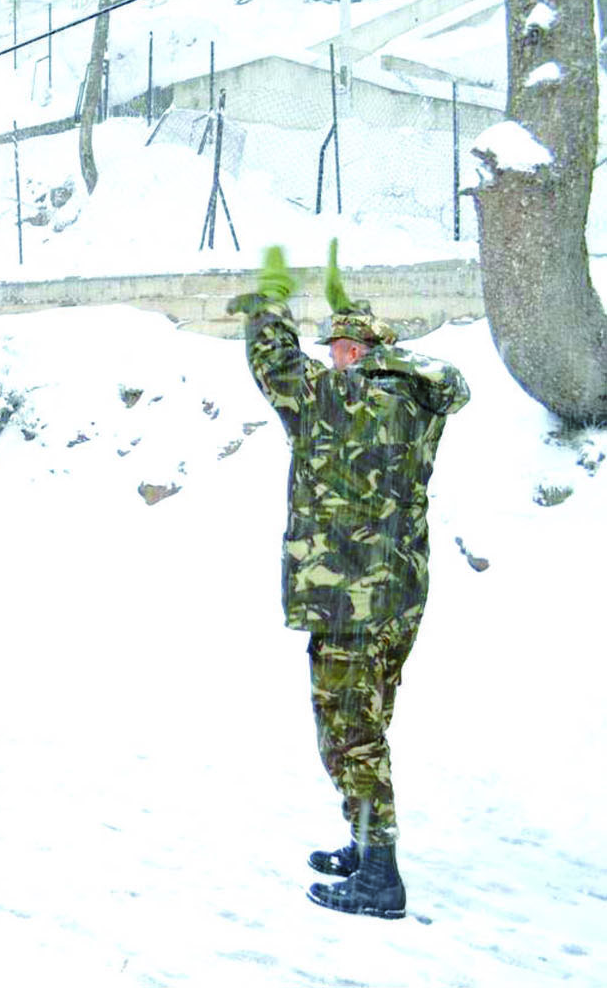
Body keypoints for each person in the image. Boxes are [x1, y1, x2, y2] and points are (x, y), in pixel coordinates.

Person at [228, 242, 469, 920]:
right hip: (397, 598)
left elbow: (273, 362)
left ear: (356, 356)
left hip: (347, 600)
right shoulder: (414, 402)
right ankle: (365, 846)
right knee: (369, 721)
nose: (329, 354)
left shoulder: (332, 399)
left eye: (337, 345)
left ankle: (380, 880)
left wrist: (270, 299)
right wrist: (358, 319)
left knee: (348, 733)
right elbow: (445, 377)